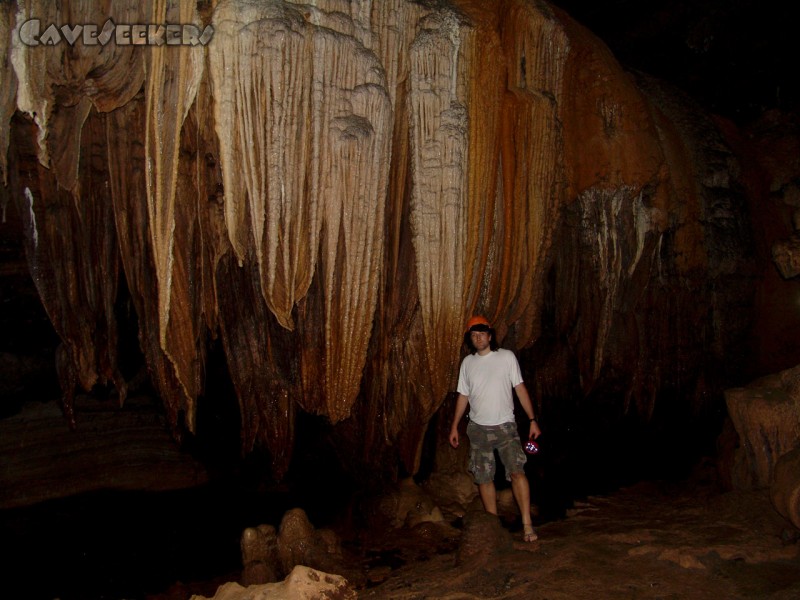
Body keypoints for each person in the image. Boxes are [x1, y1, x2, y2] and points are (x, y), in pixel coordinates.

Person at [449, 315, 542, 542]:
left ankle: (527, 525)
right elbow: (463, 396)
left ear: (490, 335)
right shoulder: (467, 364)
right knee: (483, 477)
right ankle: (493, 527)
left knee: (517, 471)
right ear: (470, 339)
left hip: (505, 427)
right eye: (474, 335)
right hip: (478, 429)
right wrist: (454, 426)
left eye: (482, 333)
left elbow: (520, 389)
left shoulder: (506, 357)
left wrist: (532, 419)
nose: (478, 337)